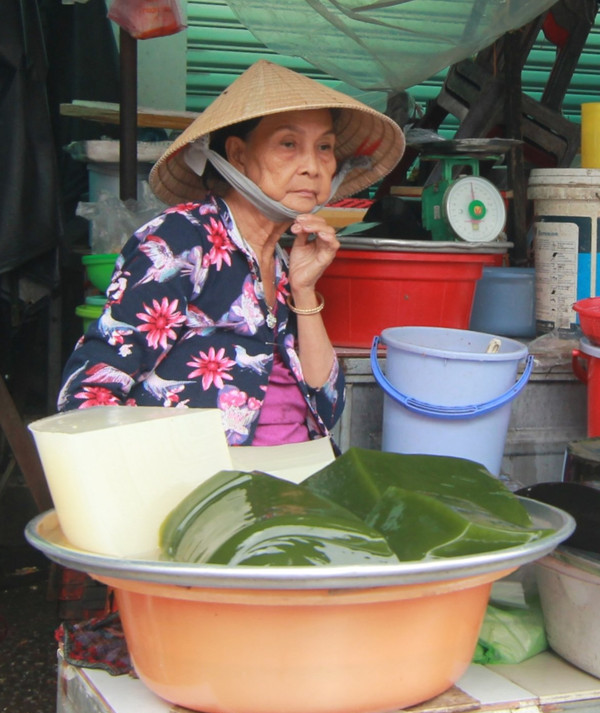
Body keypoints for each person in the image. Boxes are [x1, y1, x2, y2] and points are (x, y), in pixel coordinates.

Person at [56, 60, 405, 446]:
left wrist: (304, 291)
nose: (313, 166)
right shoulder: (180, 242)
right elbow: (88, 395)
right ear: (238, 154)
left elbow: (328, 404)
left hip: (295, 465)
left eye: (324, 147)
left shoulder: (280, 260)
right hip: (205, 474)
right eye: (289, 144)